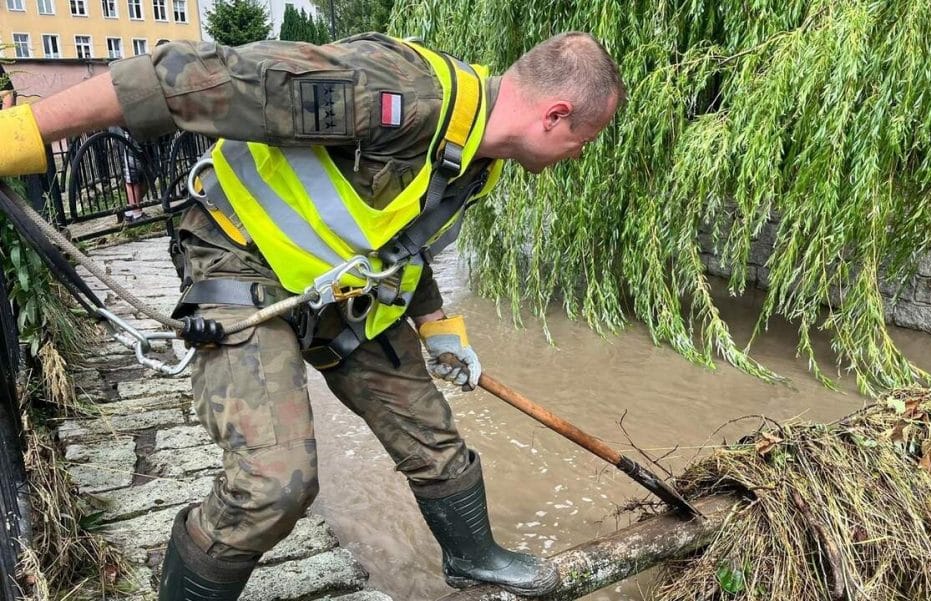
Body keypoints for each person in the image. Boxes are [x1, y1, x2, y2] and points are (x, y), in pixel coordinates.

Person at [0, 32, 624, 600]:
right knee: (275, 484)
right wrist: (20, 133)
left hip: (337, 293)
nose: (576, 155)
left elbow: (396, 243)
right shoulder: (396, 91)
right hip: (240, 261)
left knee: (431, 436)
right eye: (583, 142)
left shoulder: (475, 158)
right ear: (555, 115)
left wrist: (438, 327)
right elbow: (186, 78)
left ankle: (473, 557)